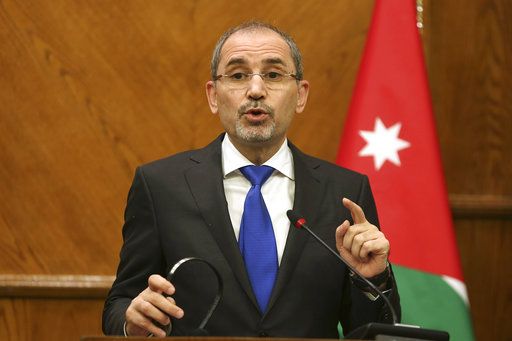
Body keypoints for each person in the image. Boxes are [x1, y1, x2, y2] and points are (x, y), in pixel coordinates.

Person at [103, 21, 400, 338]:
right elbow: (119, 304)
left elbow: (373, 330)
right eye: (237, 75)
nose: (256, 90)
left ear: (300, 95)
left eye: (273, 75)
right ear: (213, 95)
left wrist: (373, 280)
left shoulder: (345, 191)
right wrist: (130, 321)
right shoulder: (161, 186)